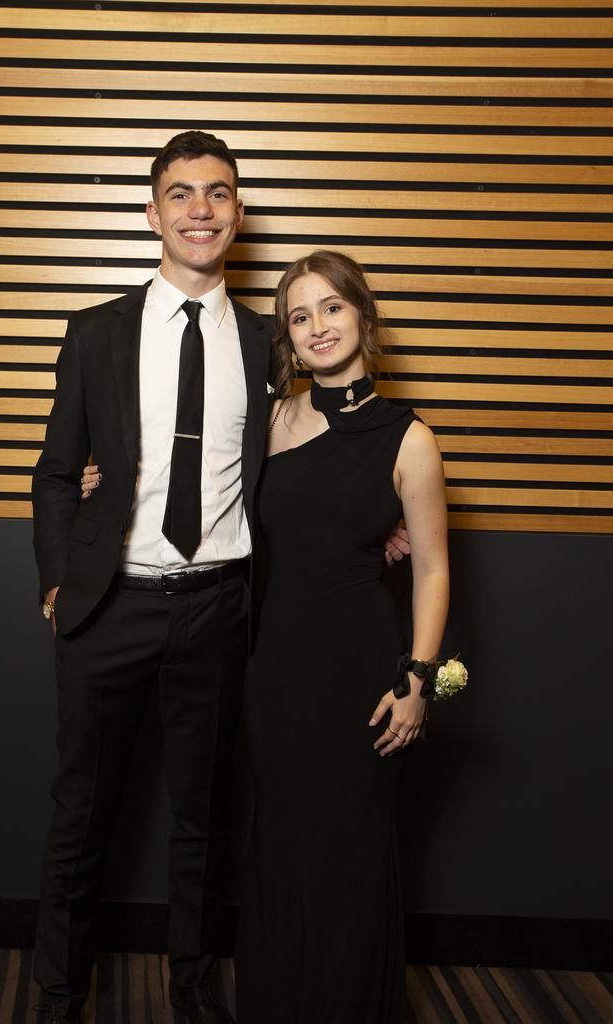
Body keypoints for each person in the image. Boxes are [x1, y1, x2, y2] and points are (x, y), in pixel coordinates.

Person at [36, 130, 408, 1024]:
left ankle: (193, 991)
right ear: (153, 211)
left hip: (221, 610)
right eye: (181, 193)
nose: (199, 209)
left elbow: (317, 455)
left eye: (218, 193)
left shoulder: (267, 346)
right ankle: (57, 994)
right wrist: (57, 579)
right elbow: (58, 472)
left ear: (238, 213)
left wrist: (378, 517)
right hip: (110, 606)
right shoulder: (95, 335)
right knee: (81, 818)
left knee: (202, 821)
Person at [234, 251, 449, 1023]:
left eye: (331, 308)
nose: (318, 326)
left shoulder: (409, 437)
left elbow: (431, 572)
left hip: (359, 669)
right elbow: (195, 493)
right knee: (282, 846)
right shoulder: (270, 419)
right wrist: (104, 478)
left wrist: (417, 680)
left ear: (362, 315)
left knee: (351, 853)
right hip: (274, 668)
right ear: (287, 338)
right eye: (300, 316)